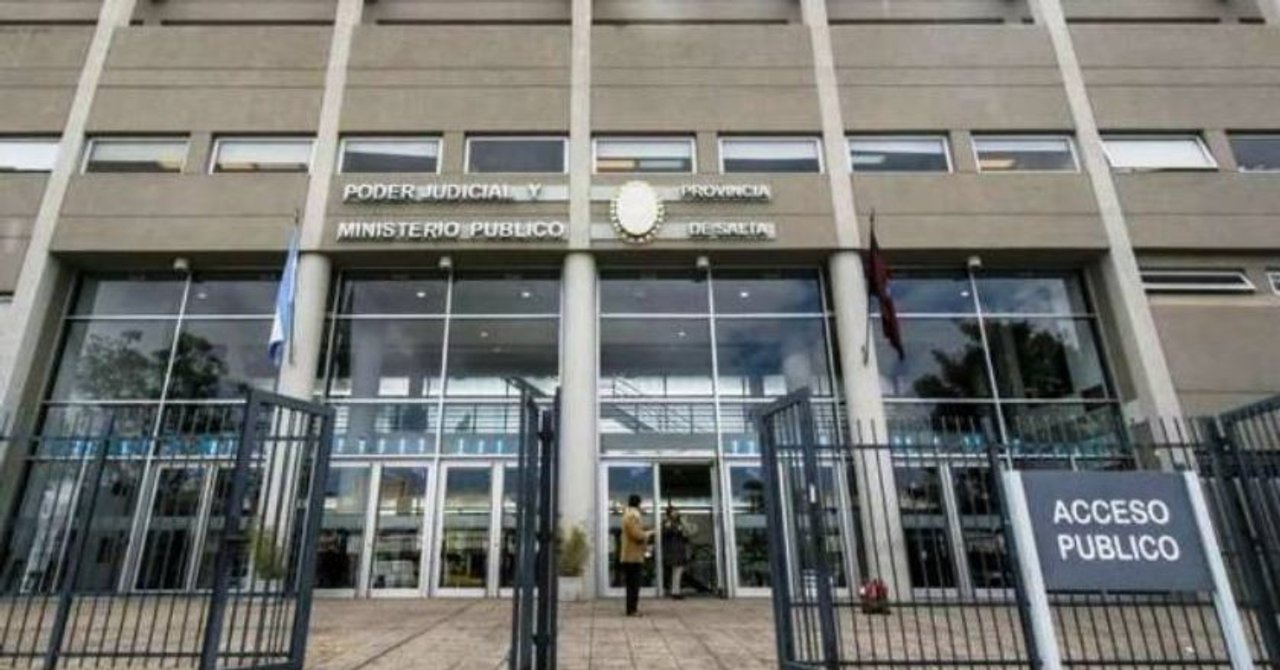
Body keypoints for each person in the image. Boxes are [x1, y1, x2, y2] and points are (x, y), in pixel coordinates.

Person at [620, 494, 654, 616]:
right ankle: (632, 610)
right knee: (633, 585)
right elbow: (636, 534)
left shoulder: (629, 514)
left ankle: (632, 609)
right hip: (632, 556)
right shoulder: (632, 516)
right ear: (638, 503)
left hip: (631, 555)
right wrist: (647, 534)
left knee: (632, 584)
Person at [661, 503, 692, 600]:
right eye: (674, 511)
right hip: (673, 550)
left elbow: (687, 534)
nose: (676, 513)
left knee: (678, 571)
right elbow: (666, 533)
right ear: (669, 513)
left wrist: (683, 526)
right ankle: (675, 592)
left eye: (676, 511)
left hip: (679, 549)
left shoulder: (679, 522)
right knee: (676, 571)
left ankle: (676, 591)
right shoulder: (667, 522)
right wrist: (677, 529)